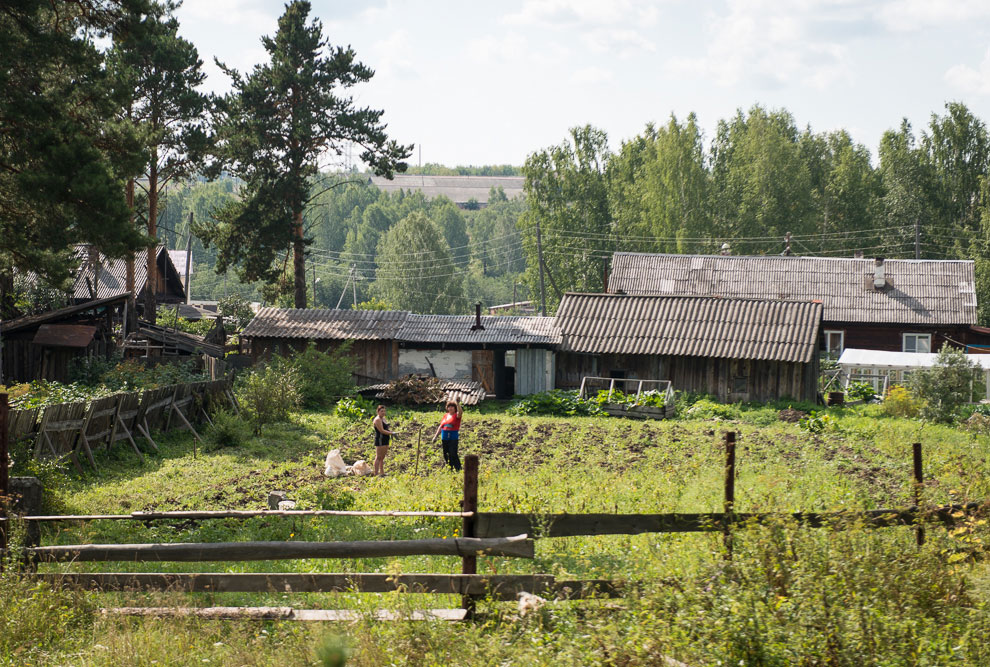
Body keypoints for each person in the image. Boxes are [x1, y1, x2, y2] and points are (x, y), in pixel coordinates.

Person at [433, 399, 463, 472]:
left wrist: (458, 404)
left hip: (453, 437)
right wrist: (435, 436)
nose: (450, 408)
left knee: (453, 453)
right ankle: (450, 468)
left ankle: (458, 468)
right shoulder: (446, 415)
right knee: (446, 453)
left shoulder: (456, 415)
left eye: (452, 406)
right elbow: (441, 426)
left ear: (455, 408)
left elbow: (461, 412)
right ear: (447, 408)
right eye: (449, 406)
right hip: (444, 437)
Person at [372, 405, 395, 476]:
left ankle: (382, 473)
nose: (383, 412)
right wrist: (391, 433)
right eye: (381, 411)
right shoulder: (377, 420)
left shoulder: (383, 419)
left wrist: (391, 432)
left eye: (384, 411)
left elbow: (386, 429)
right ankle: (376, 474)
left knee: (382, 457)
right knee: (378, 457)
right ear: (378, 412)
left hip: (386, 438)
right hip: (380, 439)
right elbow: (381, 431)